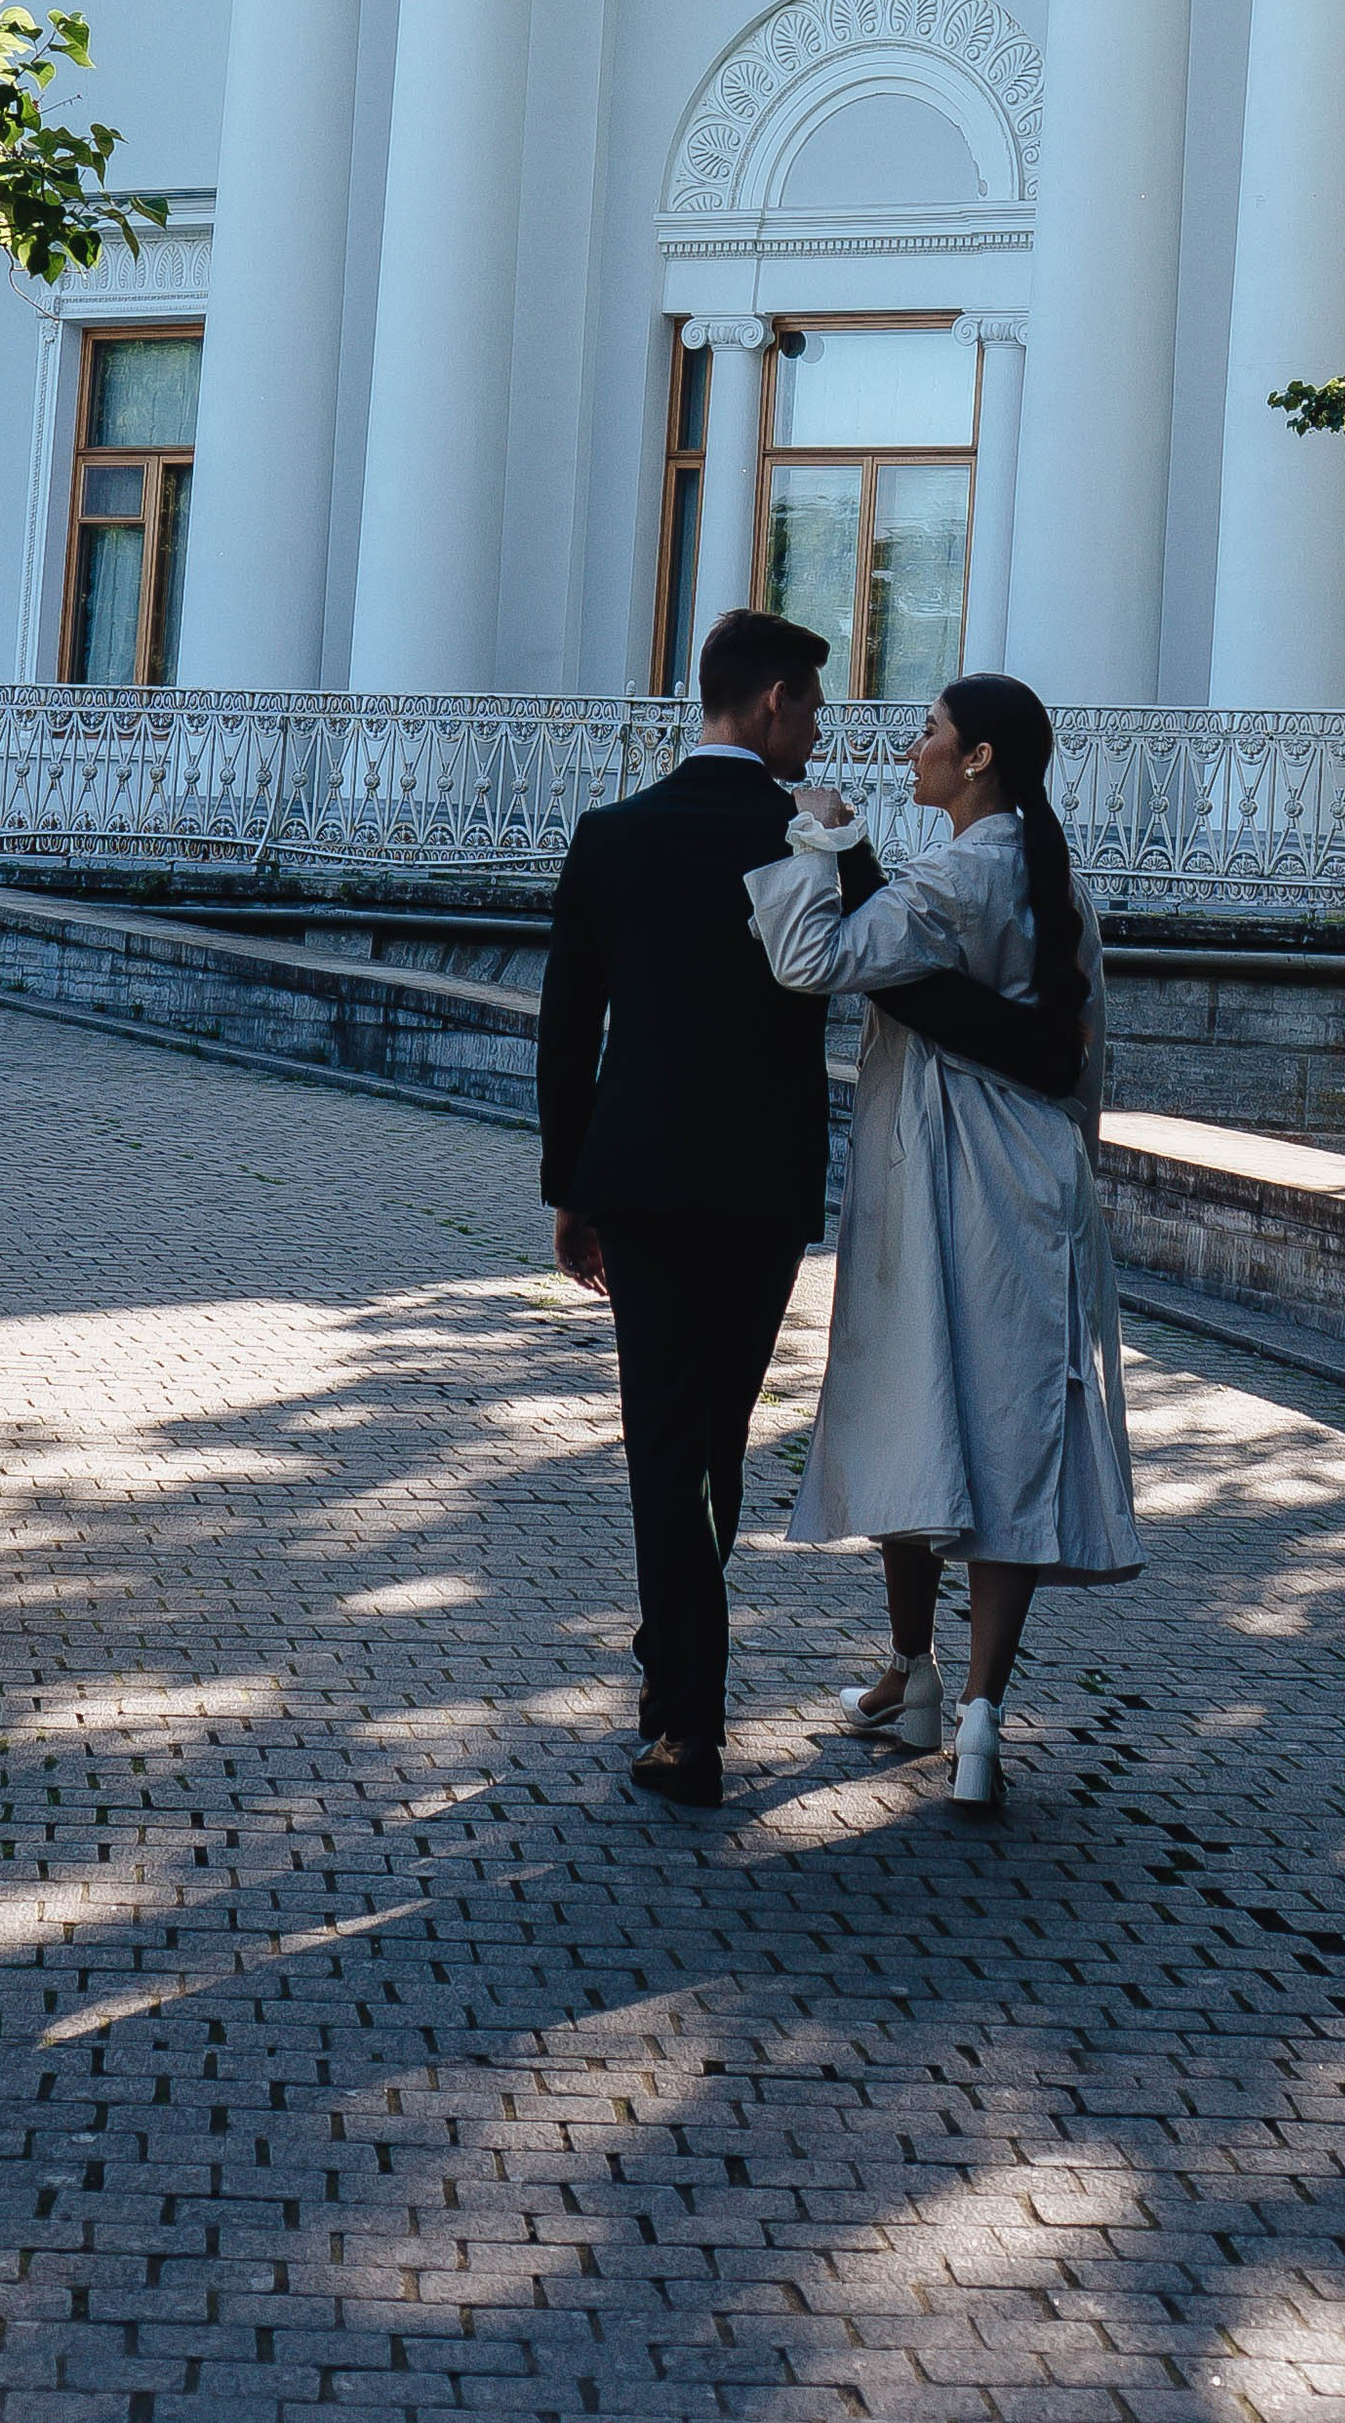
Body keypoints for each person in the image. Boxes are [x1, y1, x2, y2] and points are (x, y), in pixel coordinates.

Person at [537, 609, 1083, 1809]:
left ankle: (685, 1709)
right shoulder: (816, 843)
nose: (830, 734)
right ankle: (686, 1666)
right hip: (762, 1189)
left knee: (664, 1439)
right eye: (818, 708)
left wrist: (569, 1187)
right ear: (777, 702)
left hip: (637, 1183)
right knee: (716, 1439)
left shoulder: (612, 833)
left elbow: (569, 1027)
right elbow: (907, 982)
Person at [742, 673, 1142, 1812]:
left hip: (938, 1174)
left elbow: (810, 960)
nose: (911, 747)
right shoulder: (1052, 879)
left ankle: (913, 1665)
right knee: (1012, 1426)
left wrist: (813, 837)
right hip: (1035, 1182)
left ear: (977, 760)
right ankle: (970, 1712)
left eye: (929, 733)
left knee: (912, 1399)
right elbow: (1083, 1062)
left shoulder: (955, 876)